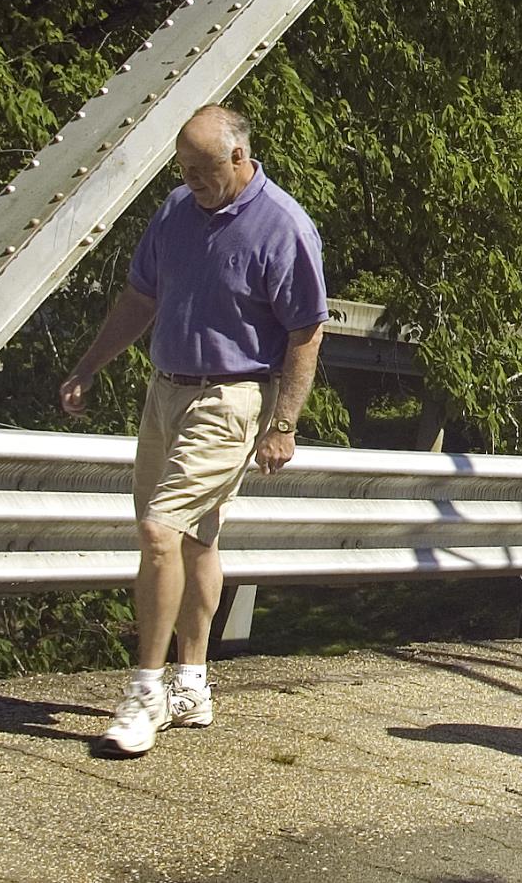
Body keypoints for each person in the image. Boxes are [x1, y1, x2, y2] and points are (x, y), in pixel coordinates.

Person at [58, 104, 326, 757]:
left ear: (240, 158)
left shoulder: (283, 226)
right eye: (183, 170)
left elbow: (306, 330)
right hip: (165, 391)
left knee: (158, 530)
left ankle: (145, 693)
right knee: (197, 542)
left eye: (203, 170)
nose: (193, 182)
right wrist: (88, 367)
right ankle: (192, 681)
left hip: (232, 398)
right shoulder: (176, 211)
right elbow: (141, 298)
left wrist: (284, 422)